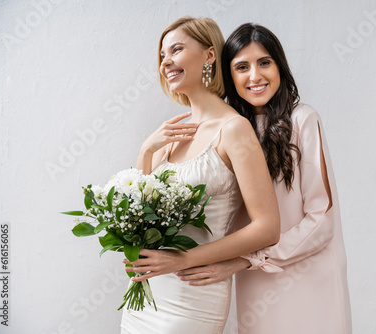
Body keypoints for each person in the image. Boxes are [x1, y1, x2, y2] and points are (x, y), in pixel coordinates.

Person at [176, 23, 352, 334]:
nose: (255, 76)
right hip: (252, 280)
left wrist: (247, 259)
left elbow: (321, 220)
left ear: (280, 66)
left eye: (264, 63)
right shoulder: (230, 129)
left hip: (308, 277)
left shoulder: (302, 120)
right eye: (242, 67)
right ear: (228, 76)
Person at [119, 17, 280, 334]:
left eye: (176, 50)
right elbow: (137, 217)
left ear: (209, 55)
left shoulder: (234, 129)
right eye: (162, 56)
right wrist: (146, 151)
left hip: (189, 297)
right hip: (145, 297)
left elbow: (267, 227)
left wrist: (182, 260)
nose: (166, 62)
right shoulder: (172, 133)